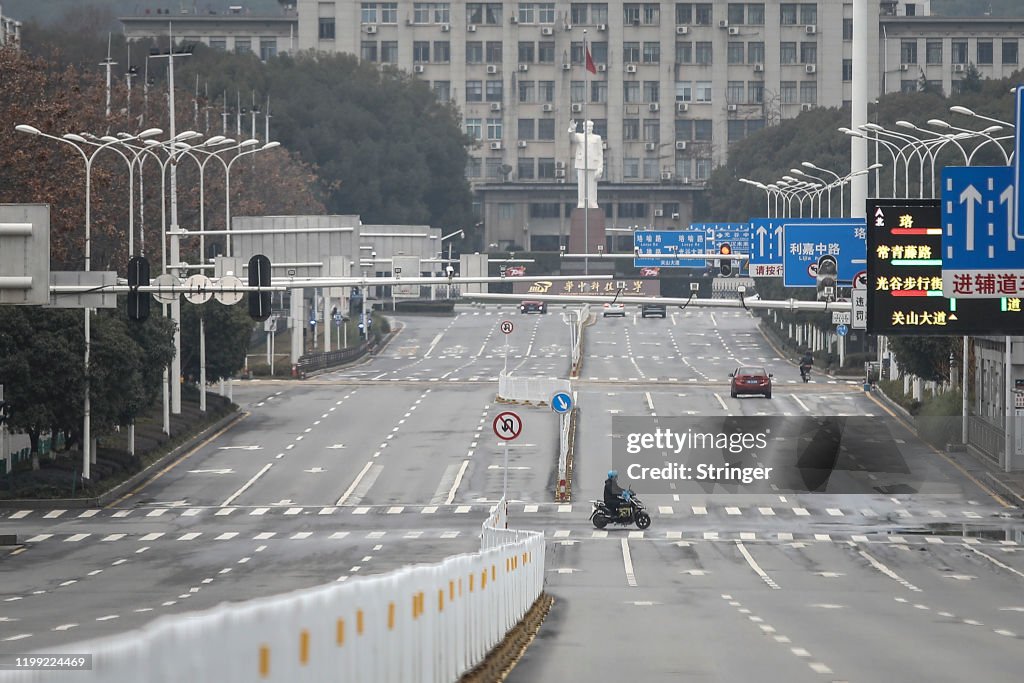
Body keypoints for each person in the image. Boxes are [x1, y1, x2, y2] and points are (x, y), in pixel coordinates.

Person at [568, 119, 603, 209]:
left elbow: (600, 153)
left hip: (593, 164)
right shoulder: (579, 136)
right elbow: (572, 137)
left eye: (590, 127)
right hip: (582, 164)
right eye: (587, 126)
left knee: (593, 185)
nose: (588, 128)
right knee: (582, 185)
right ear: (583, 127)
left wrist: (600, 167)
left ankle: (593, 202)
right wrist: (572, 129)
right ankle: (581, 202)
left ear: (592, 128)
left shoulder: (597, 138)